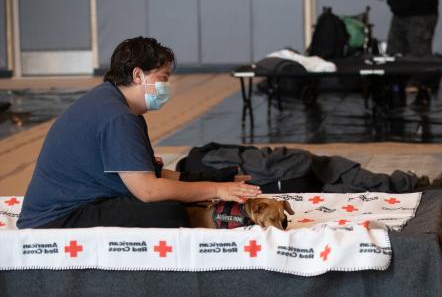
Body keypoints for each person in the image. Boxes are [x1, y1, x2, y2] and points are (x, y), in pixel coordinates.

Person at [17, 37, 260, 229]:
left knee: (176, 199)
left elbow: (150, 174)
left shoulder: (115, 104)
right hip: (55, 220)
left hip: (77, 203)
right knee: (167, 213)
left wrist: (218, 179)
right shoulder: (117, 116)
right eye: (162, 78)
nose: (168, 87)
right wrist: (217, 191)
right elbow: (149, 190)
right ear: (137, 75)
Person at [373, 0, 442, 108]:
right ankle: (396, 93)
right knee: (393, 55)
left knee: (420, 56)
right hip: (399, 14)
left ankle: (423, 93)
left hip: (421, 14)